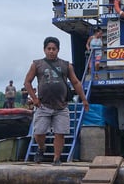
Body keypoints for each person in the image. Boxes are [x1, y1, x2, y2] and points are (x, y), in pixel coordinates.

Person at [24, 36, 89, 166]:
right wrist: (34, 99)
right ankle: (41, 148)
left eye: (54, 49)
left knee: (60, 133)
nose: (51, 51)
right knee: (39, 132)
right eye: (49, 49)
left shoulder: (66, 65)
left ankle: (56, 158)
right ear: (44, 50)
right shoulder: (37, 64)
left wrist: (84, 99)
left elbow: (76, 82)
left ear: (58, 50)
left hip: (61, 106)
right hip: (43, 105)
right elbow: (27, 82)